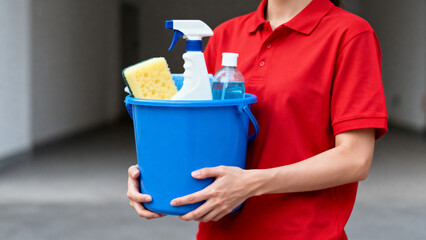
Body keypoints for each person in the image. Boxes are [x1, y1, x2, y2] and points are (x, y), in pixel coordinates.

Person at [127, 0, 388, 239]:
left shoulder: (350, 34)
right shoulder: (225, 35)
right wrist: (152, 179)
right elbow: (196, 139)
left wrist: (250, 184)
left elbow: (355, 159)